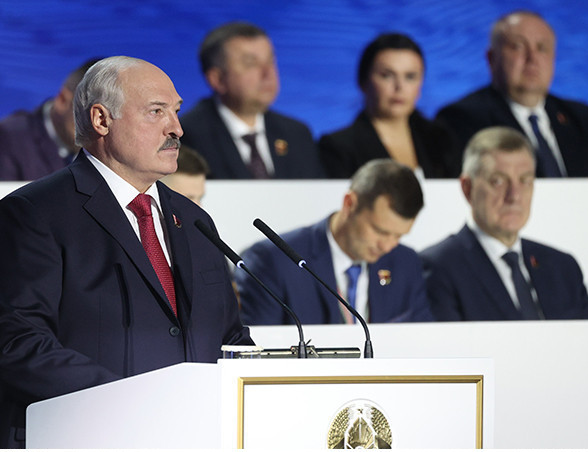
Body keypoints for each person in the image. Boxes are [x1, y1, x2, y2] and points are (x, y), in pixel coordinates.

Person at [0, 56, 251, 452]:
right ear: (101, 119)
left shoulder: (194, 222)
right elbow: (18, 345)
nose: (176, 128)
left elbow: (229, 338)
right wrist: (136, 403)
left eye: (176, 111)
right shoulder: (31, 214)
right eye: (156, 111)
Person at [421, 126, 588, 321]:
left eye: (525, 180)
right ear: (467, 188)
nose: (514, 196)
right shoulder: (439, 268)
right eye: (498, 181)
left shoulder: (563, 267)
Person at [235, 159, 432, 325]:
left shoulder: (406, 262)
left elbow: (422, 341)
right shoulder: (274, 260)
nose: (387, 246)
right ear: (349, 204)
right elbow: (259, 350)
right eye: (380, 231)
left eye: (398, 236)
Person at [436, 10, 588, 177]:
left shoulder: (579, 117)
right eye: (517, 46)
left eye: (542, 48)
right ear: (492, 58)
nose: (532, 58)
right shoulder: (461, 119)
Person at [180, 21, 324, 179]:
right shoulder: (188, 137)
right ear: (217, 79)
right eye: (251, 63)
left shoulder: (297, 134)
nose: (268, 73)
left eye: (270, 61)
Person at [319, 33, 458, 179]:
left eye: (410, 77)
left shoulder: (441, 140)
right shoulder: (338, 147)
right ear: (363, 81)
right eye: (387, 75)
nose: (399, 87)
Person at [0, 58, 99, 181]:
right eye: (90, 114)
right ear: (63, 100)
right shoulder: (5, 139)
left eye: (104, 117)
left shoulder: (104, 152)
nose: (97, 126)